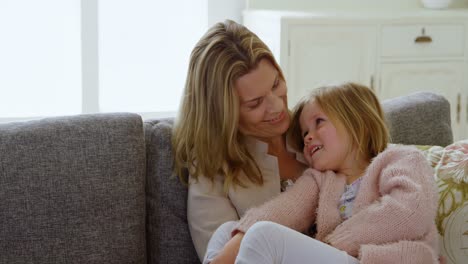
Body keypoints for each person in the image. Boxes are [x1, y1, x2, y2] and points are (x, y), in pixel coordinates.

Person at [206, 82, 439, 264]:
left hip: (386, 259)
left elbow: (411, 212)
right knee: (228, 232)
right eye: (305, 131)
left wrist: (339, 241)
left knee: (263, 236)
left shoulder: (400, 159)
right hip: (338, 257)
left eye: (319, 122)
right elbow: (282, 211)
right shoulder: (320, 181)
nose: (307, 137)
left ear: (359, 124)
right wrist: (240, 236)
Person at [172, 20, 307, 261]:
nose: (277, 106)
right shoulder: (211, 171)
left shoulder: (315, 126)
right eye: (255, 103)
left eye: (276, 84)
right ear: (224, 113)